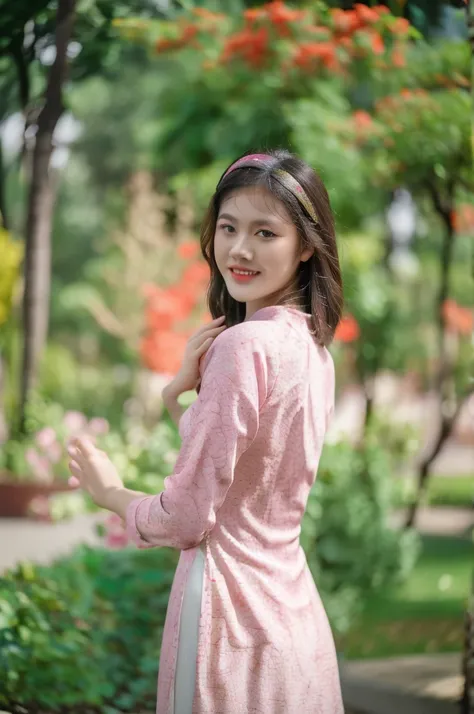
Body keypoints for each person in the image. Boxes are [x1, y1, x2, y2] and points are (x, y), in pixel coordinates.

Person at [67, 149, 345, 714]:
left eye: (265, 232)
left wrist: (111, 495)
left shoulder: (244, 346)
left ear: (306, 244)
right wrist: (178, 400)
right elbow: (250, 471)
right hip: (292, 615)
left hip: (227, 616)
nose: (239, 249)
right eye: (228, 227)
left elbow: (189, 518)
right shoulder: (313, 348)